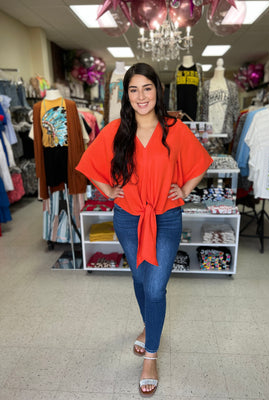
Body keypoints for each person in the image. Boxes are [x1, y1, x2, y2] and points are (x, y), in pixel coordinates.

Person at [76, 63, 213, 397]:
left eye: (147, 88)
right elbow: (88, 162)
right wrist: (108, 191)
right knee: (139, 279)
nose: (141, 96)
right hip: (127, 216)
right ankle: (150, 326)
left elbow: (200, 161)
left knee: (155, 288)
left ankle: (150, 357)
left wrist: (186, 189)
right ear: (127, 94)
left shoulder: (175, 128)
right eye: (133, 90)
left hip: (165, 216)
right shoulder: (115, 130)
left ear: (158, 90)